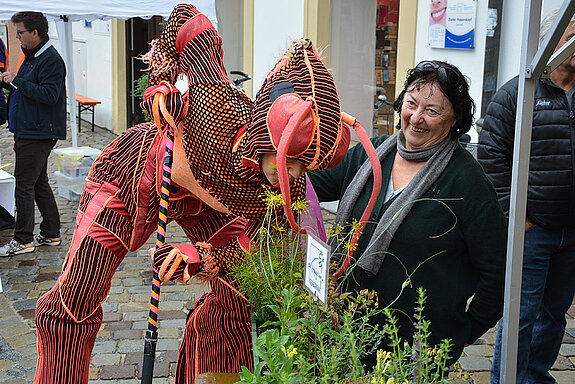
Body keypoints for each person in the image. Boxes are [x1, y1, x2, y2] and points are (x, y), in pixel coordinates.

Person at [33, 4, 349, 384]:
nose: (295, 174)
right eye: (290, 160)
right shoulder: (214, 103)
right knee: (73, 303)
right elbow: (188, 19)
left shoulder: (285, 188)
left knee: (233, 297)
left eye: (303, 164)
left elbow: (262, 248)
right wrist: (164, 82)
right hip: (136, 172)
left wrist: (201, 256)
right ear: (267, 133)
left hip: (209, 201)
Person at [309, 60, 507, 367]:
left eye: (432, 110)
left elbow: (497, 269)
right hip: (346, 333)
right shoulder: (368, 154)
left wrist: (468, 329)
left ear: (454, 119)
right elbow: (306, 185)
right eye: (411, 104)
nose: (416, 118)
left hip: (416, 351)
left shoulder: (467, 180)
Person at [478, 9, 575, 384]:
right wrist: (517, 216)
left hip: (571, 233)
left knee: (555, 314)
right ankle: (509, 379)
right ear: (550, 40)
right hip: (531, 231)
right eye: (571, 33)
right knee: (521, 313)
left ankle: (536, 376)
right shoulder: (518, 93)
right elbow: (491, 158)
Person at [0, 12, 66, 256]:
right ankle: (51, 233)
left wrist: (17, 81)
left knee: (24, 185)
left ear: (35, 32)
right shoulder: (34, 55)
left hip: (37, 132)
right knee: (38, 184)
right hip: (30, 129)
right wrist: (10, 82)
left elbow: (49, 95)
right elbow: (28, 87)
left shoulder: (50, 59)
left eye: (20, 32)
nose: (17, 37)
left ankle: (23, 239)